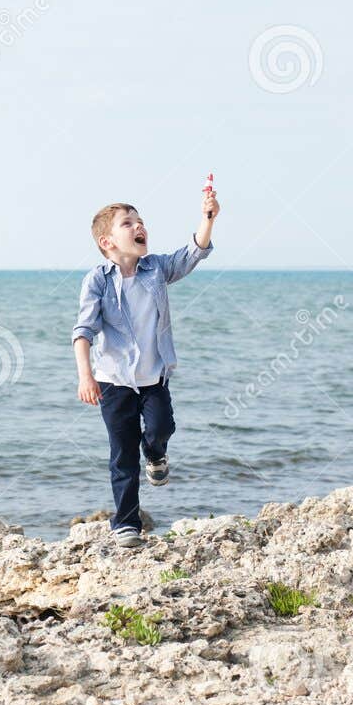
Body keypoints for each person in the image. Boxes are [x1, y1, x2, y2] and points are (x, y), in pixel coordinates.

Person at [72, 186, 219, 548]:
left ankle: (155, 453)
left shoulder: (156, 269)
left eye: (140, 221)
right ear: (108, 242)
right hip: (113, 381)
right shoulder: (97, 280)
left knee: (161, 427)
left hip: (154, 377)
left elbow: (192, 253)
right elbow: (84, 330)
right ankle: (126, 524)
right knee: (122, 454)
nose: (140, 227)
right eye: (129, 223)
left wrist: (207, 218)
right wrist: (85, 376)